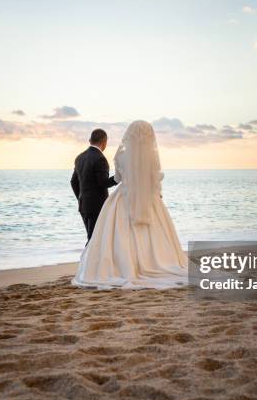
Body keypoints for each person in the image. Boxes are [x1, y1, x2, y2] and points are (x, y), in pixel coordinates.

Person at [72, 120, 188, 289]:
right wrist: (156, 194)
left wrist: (125, 179)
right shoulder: (152, 156)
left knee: (115, 234)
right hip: (149, 198)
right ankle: (152, 262)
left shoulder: (120, 154)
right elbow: (155, 180)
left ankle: (123, 266)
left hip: (122, 198)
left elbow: (118, 178)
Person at [70, 128, 118, 243]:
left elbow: (73, 182)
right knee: (94, 240)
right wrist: (119, 177)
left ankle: (89, 260)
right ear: (104, 143)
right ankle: (88, 261)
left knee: (91, 238)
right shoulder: (100, 158)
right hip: (97, 207)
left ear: (90, 140)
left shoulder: (79, 157)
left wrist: (81, 198)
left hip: (83, 206)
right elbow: (103, 183)